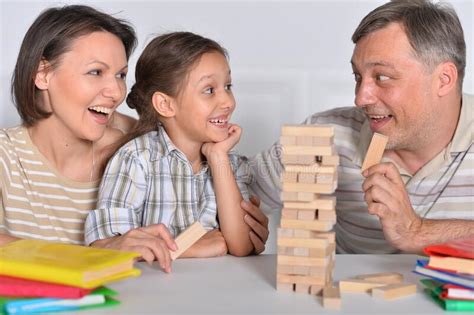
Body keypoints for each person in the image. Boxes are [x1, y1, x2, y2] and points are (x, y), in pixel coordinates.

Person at [250, 0, 473, 254]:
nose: (361, 98)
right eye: (358, 77)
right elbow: (228, 202)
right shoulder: (325, 136)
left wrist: (415, 230)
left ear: (444, 80)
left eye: (382, 77)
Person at [84, 32, 267, 271]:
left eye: (228, 86)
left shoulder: (230, 164)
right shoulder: (136, 159)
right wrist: (186, 248)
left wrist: (218, 157)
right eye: (209, 90)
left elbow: (241, 246)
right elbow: (108, 246)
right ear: (166, 104)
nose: (228, 102)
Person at [0, 5, 177, 248]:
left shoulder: (137, 155)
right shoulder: (6, 156)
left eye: (121, 75)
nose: (116, 93)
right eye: (95, 72)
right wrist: (99, 252)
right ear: (42, 74)